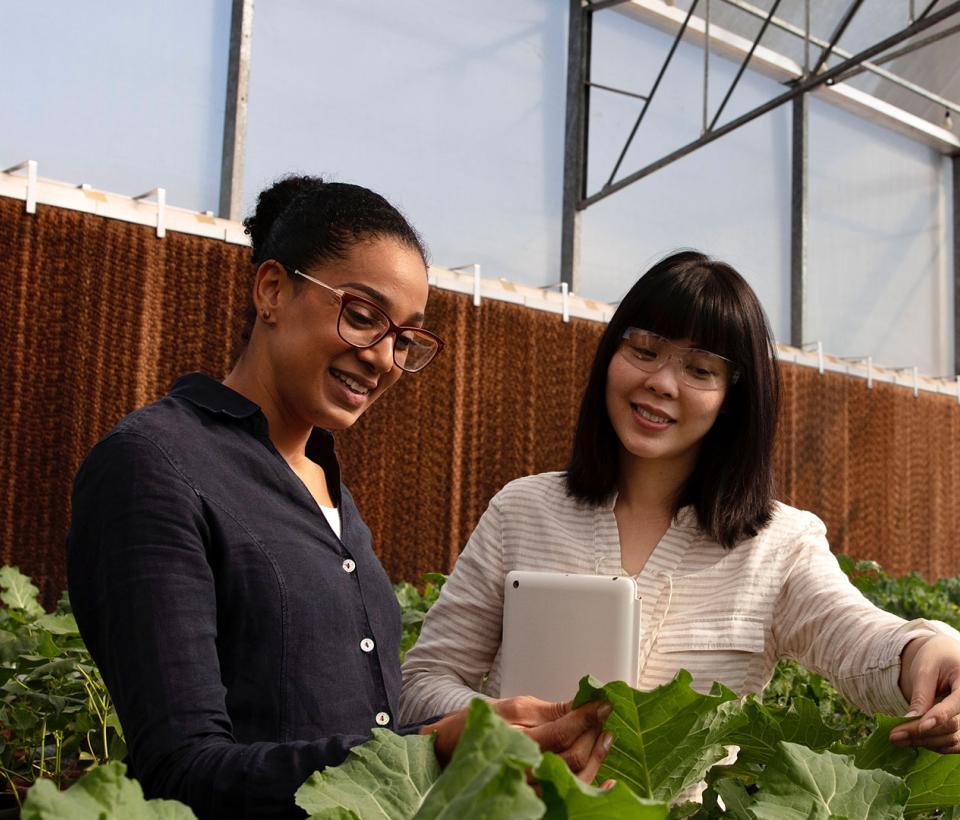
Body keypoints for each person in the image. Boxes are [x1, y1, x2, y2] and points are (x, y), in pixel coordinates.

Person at [66, 175, 611, 820]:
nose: (383, 358)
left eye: (405, 338)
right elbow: (180, 769)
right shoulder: (154, 464)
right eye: (361, 316)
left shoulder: (327, 486)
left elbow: (361, 740)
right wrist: (433, 749)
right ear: (272, 289)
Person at [399, 250, 960, 757]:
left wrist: (926, 650)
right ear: (611, 355)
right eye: (645, 350)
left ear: (732, 399)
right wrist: (493, 724)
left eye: (700, 369)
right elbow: (424, 679)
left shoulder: (777, 544)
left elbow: (855, 637)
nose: (663, 382)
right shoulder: (522, 510)